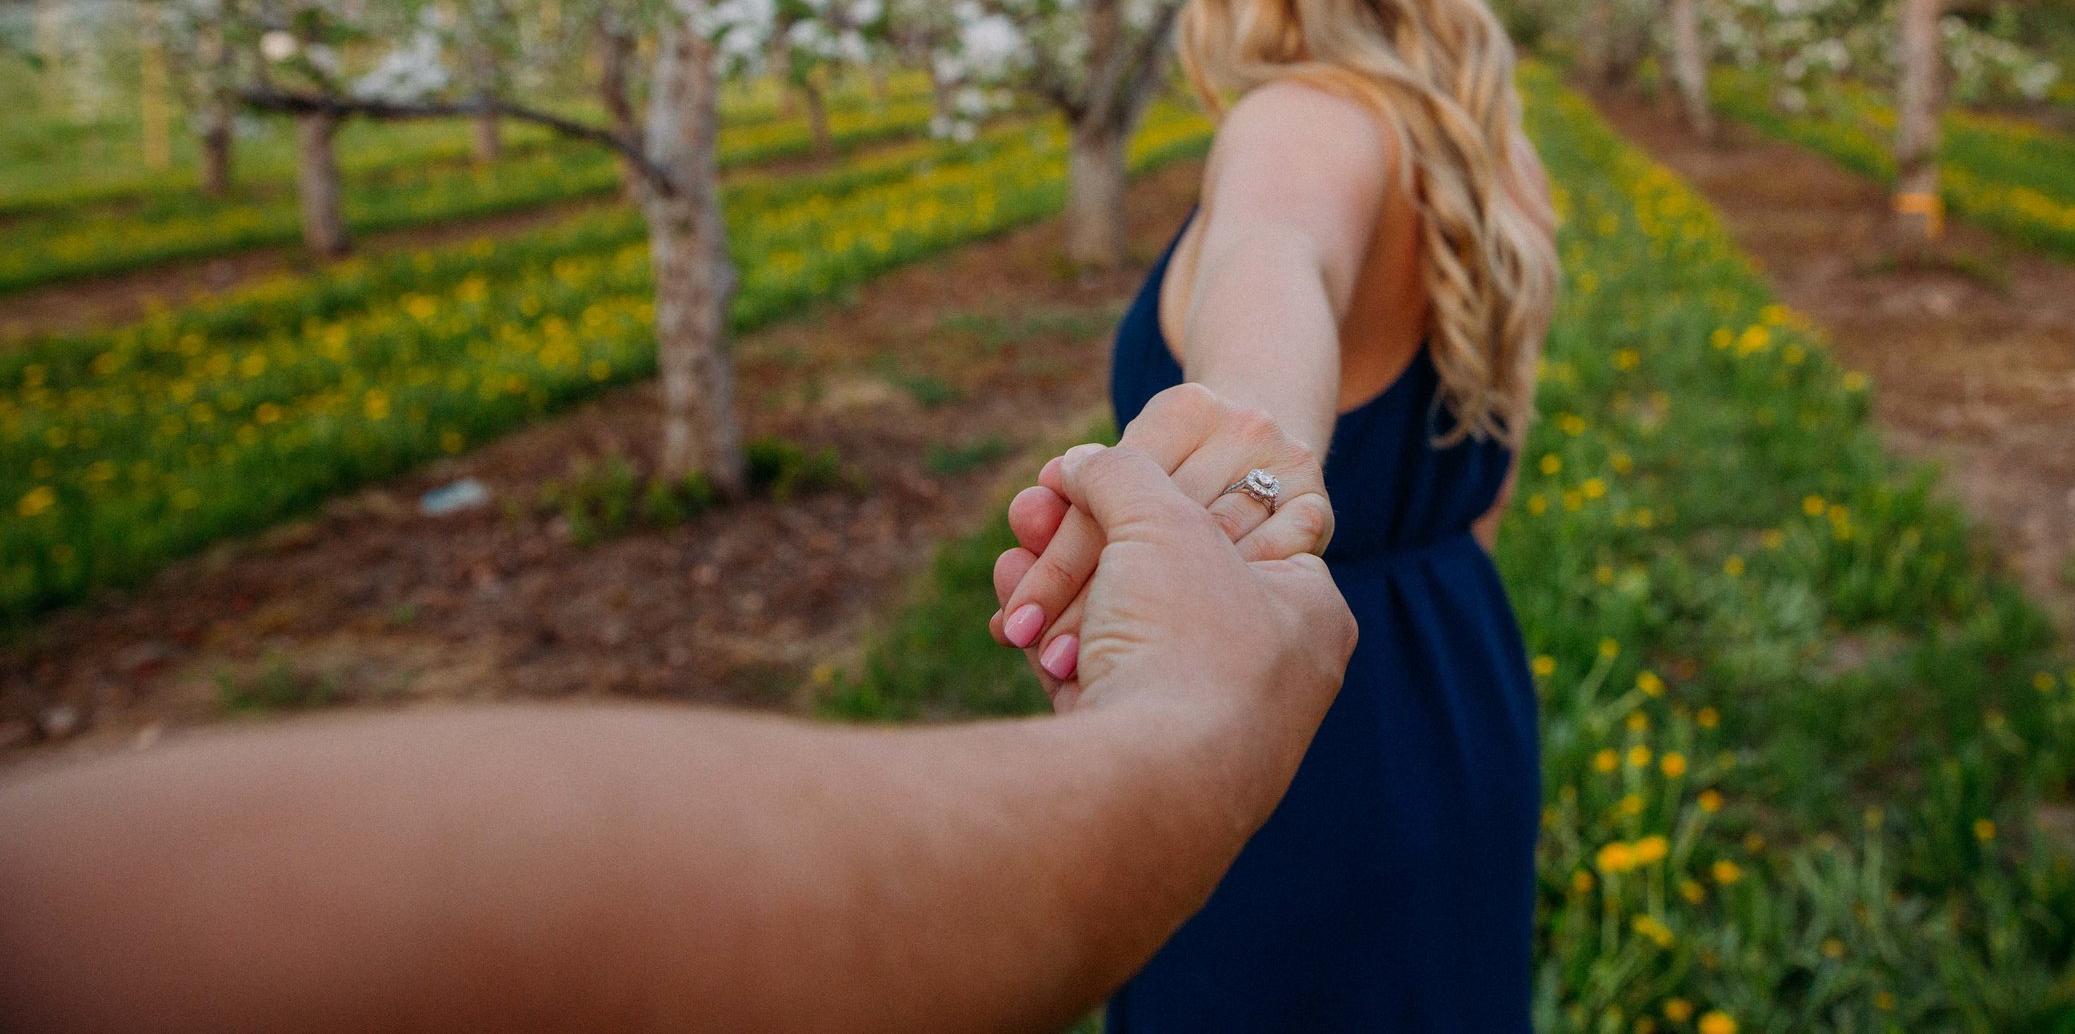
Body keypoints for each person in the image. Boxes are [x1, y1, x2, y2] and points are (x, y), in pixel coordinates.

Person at [0, 386, 1350, 1034]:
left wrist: (1186, 711)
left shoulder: (1290, 122)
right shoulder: (1449, 153)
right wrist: (1241, 482)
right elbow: (1264, 372)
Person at [991, 0, 1561, 1032]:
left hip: (1298, 732)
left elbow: (1275, 258)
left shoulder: (1295, 120)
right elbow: (1484, 491)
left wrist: (1243, 449)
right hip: (1457, 682)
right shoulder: (1496, 165)